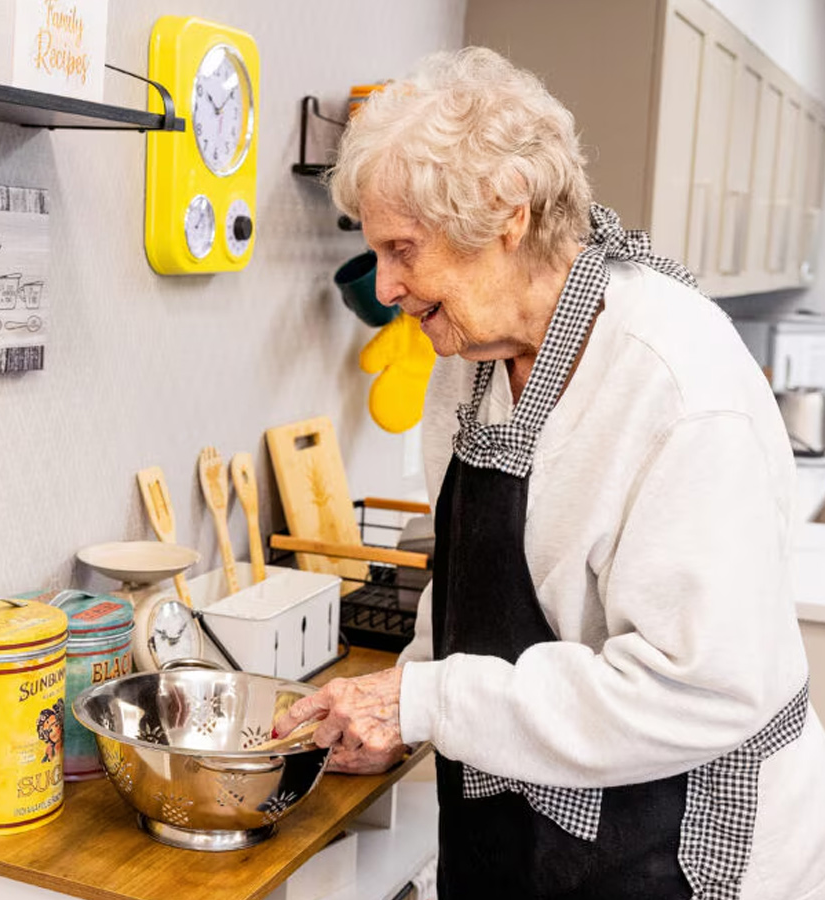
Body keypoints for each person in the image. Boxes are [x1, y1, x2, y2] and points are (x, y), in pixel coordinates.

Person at [274, 47, 825, 899]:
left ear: (505, 214)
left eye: (402, 249)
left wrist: (426, 703)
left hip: (678, 841)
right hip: (515, 823)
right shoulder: (466, 356)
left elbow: (704, 690)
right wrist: (401, 699)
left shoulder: (676, 383)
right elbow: (467, 590)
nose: (385, 287)